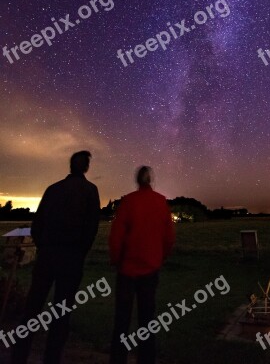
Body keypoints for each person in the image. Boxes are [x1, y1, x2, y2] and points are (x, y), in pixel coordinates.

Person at [11, 150, 100, 364]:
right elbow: (91, 229)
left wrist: (44, 247)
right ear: (86, 168)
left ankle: (19, 355)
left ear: (70, 166)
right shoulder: (90, 191)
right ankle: (52, 357)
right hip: (71, 260)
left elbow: (37, 225)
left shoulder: (53, 190)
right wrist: (79, 254)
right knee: (61, 312)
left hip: (47, 257)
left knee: (32, 307)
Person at [109, 166, 175, 364]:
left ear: (137, 180)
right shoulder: (161, 202)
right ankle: (147, 359)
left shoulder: (128, 201)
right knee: (147, 319)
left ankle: (118, 359)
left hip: (127, 270)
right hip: (150, 270)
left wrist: (116, 260)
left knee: (122, 320)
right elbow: (169, 237)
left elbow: (116, 236)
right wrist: (159, 258)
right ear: (151, 180)